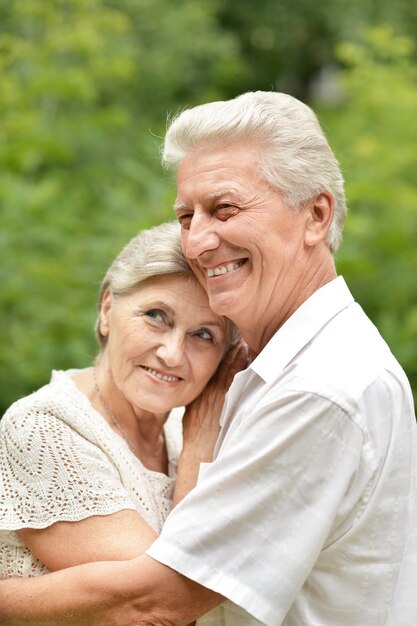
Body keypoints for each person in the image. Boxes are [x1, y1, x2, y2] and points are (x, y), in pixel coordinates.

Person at [1, 90, 416, 625]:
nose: (198, 241)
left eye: (225, 208)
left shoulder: (319, 388)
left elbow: (158, 602)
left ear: (316, 216)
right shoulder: (264, 372)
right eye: (186, 216)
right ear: (107, 308)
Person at [0, 220, 242, 580]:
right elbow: (165, 601)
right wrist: (198, 453)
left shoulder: (181, 427)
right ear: (106, 309)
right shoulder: (42, 428)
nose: (172, 354)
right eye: (156, 316)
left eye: (203, 334)